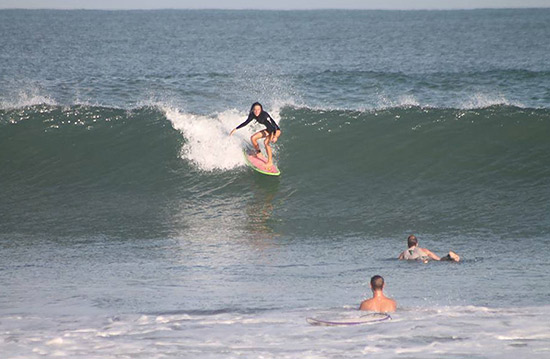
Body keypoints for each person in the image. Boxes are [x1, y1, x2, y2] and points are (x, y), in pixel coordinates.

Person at [230, 102, 281, 169]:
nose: (256, 111)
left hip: (275, 130)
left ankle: (270, 162)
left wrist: (275, 136)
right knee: (253, 138)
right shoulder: (252, 114)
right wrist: (235, 129)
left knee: (266, 143)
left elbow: (273, 126)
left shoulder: (265, 115)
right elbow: (246, 122)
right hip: (268, 129)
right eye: (255, 109)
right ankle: (258, 152)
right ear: (252, 109)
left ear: (261, 109)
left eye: (258, 109)